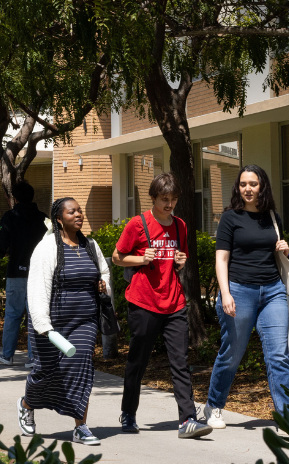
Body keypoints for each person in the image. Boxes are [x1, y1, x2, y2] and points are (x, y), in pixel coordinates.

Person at [111, 172, 213, 439]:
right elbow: (117, 257)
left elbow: (180, 258)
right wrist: (141, 258)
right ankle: (129, 412)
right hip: (144, 302)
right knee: (138, 361)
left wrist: (180, 261)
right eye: (164, 199)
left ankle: (187, 419)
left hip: (174, 302)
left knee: (180, 361)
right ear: (153, 198)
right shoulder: (138, 224)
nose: (170, 204)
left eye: (174, 199)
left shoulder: (180, 225)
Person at [197, 165, 289, 429]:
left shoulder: (273, 217)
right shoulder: (230, 218)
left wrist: (284, 249)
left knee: (278, 356)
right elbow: (221, 259)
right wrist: (225, 293)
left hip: (273, 291)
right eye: (243, 184)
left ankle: (286, 415)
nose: (248, 189)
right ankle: (213, 406)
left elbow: (275, 254)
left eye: (253, 184)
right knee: (232, 354)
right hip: (239, 291)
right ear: (237, 188)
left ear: (262, 186)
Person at [15, 197, 111, 446]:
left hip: (85, 320)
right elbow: (37, 288)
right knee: (46, 372)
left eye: (80, 211)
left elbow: (104, 273)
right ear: (59, 219)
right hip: (52, 324)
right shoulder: (47, 248)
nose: (79, 215)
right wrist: (42, 324)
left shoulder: (90, 244)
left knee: (81, 366)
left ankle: (81, 426)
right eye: (72, 212)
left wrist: (104, 285)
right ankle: (27, 403)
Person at [0, 180, 48, 367]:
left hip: (16, 271)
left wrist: (1, 253)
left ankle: (7, 355)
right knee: (36, 315)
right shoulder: (43, 218)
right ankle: (34, 357)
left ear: (14, 198)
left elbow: (0, 242)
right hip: (39, 274)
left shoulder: (10, 217)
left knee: (13, 314)